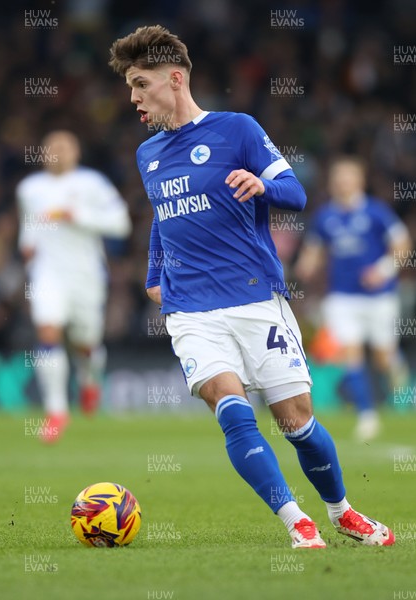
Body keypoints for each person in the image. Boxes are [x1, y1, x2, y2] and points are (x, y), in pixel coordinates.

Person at [109, 25, 395, 548]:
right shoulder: (147, 155)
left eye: (140, 84)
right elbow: (163, 217)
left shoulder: (236, 129)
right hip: (191, 310)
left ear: (174, 79)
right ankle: (296, 522)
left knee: (295, 420)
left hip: (255, 298)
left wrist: (263, 183)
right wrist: (154, 275)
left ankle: (340, 510)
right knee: (230, 406)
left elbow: (296, 193)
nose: (133, 98)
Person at [17, 131, 131, 442]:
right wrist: (26, 246)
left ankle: (89, 379)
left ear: (76, 152)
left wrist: (76, 216)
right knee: (48, 331)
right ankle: (56, 411)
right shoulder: (29, 188)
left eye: (64, 147)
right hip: (47, 274)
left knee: (86, 344)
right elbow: (29, 228)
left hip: (85, 275)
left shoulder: (92, 183)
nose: (58, 152)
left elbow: (121, 223)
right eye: (51, 147)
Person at [295, 157, 411, 441]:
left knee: (384, 357)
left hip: (379, 297)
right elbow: (314, 249)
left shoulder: (376, 212)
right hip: (342, 298)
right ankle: (367, 416)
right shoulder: (325, 216)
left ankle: (397, 371)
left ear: (360, 180)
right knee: (350, 353)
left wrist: (383, 270)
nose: (343, 182)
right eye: (338, 177)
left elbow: (402, 244)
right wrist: (306, 265)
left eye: (349, 176)